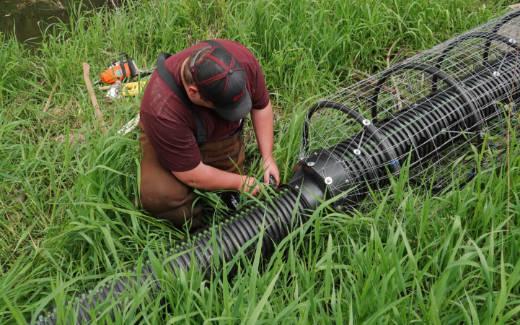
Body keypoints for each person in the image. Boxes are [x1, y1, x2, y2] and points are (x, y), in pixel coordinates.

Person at [139, 39, 280, 229]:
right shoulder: (161, 109)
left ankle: (228, 196)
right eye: (226, 108)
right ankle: (198, 230)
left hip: (212, 132)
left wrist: (268, 158)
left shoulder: (242, 62)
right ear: (193, 92)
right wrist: (240, 183)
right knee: (160, 195)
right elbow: (191, 174)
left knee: (229, 168)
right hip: (169, 133)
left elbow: (261, 106)